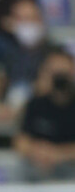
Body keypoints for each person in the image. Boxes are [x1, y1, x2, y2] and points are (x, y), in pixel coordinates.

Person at [14, 49, 75, 180]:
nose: (59, 79)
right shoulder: (36, 103)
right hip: (37, 168)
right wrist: (37, 151)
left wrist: (58, 154)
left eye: (63, 73)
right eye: (54, 72)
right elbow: (20, 141)